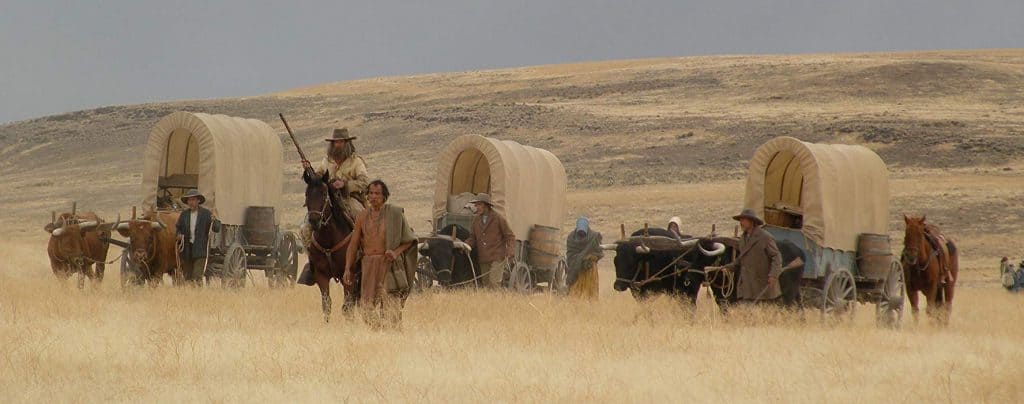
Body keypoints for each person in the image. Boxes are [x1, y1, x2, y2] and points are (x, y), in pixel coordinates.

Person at [343, 180, 417, 329]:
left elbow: (410, 240)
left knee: (391, 306)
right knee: (366, 308)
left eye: (377, 193)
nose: (373, 197)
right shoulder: (362, 216)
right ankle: (377, 332)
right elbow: (353, 245)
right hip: (368, 264)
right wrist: (347, 269)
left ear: (384, 196)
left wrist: (395, 252)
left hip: (388, 264)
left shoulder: (395, 214)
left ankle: (393, 335)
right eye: (371, 193)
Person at [300, 128, 370, 246]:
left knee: (362, 219)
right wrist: (309, 169)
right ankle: (311, 251)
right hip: (328, 199)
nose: (338, 145)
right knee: (305, 228)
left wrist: (345, 185)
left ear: (347, 143)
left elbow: (364, 182)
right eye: (335, 142)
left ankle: (365, 248)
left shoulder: (356, 162)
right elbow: (317, 179)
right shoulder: (326, 161)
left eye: (341, 142)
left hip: (349, 198)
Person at [722, 208, 782, 303]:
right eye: (740, 220)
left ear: (752, 221)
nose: (741, 223)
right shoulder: (743, 238)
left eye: (743, 220)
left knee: (762, 310)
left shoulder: (765, 237)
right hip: (747, 285)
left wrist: (773, 275)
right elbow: (742, 258)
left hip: (762, 285)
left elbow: (776, 256)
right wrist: (730, 266)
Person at [461, 193, 515, 288]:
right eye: (476, 205)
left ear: (487, 206)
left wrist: (510, 250)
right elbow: (472, 237)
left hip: (497, 257)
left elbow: (509, 236)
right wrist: (466, 245)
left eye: (479, 204)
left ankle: (497, 298)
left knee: (494, 283)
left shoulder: (498, 218)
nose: (477, 207)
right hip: (483, 257)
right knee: (486, 285)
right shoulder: (476, 220)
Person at [174, 189, 219, 286]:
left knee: (197, 276)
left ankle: (198, 293)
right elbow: (178, 228)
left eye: (193, 200)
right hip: (187, 249)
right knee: (187, 277)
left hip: (200, 249)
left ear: (198, 200)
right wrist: (178, 235)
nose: (191, 202)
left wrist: (215, 220)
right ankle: (190, 294)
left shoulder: (206, 214)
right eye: (189, 200)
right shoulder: (184, 215)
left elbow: (216, 228)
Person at [565, 217, 602, 300]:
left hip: (590, 269)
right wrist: (580, 259)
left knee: (590, 291)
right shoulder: (571, 237)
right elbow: (570, 253)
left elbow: (599, 253)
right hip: (576, 269)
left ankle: (590, 302)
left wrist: (590, 257)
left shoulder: (594, 237)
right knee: (575, 292)